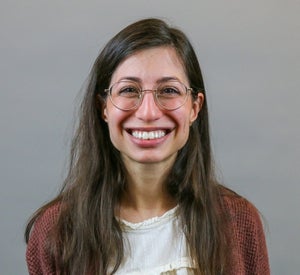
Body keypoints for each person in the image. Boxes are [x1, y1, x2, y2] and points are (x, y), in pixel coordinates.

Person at [25, 18, 270, 275]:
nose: (149, 112)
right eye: (129, 89)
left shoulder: (239, 222)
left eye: (169, 91)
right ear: (104, 107)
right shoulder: (56, 232)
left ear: (194, 107)